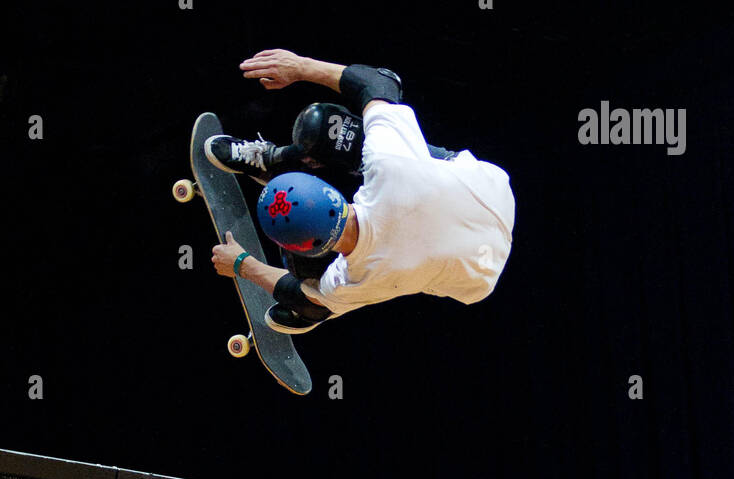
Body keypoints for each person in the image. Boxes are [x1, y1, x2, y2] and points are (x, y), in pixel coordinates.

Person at [206, 49, 515, 333]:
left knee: (315, 299)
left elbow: (307, 298)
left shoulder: (359, 278)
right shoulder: (389, 165)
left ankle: (316, 316)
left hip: (479, 262)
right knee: (323, 127)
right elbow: (381, 82)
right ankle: (273, 163)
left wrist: (244, 265)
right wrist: (241, 264)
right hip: (487, 198)